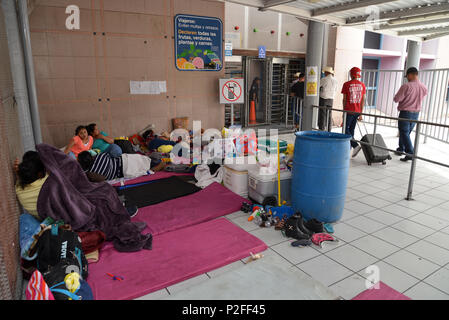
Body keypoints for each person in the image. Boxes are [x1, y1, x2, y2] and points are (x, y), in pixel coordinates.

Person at [393, 67, 428, 162]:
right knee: (406, 133)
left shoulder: (406, 86)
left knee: (404, 132)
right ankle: (401, 149)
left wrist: (398, 97)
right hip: (416, 113)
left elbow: (397, 99)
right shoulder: (424, 87)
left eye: (407, 76)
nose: (407, 78)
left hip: (405, 113)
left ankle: (410, 153)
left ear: (411, 74)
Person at [14, 151, 48, 220]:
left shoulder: (19, 189)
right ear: (40, 174)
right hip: (54, 220)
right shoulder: (47, 181)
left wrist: (18, 172)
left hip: (46, 220)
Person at [341, 67, 366, 158]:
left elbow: (344, 99)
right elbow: (363, 100)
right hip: (357, 111)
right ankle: (350, 147)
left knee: (345, 129)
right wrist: (361, 113)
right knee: (351, 129)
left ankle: (355, 145)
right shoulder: (362, 85)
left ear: (351, 74)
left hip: (348, 110)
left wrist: (344, 110)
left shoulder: (346, 84)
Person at [318, 66, 338, 131]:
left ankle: (322, 129)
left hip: (323, 98)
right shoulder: (335, 80)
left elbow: (318, 86)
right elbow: (336, 90)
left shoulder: (324, 79)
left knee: (322, 115)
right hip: (331, 99)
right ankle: (329, 129)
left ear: (326, 72)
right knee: (329, 114)